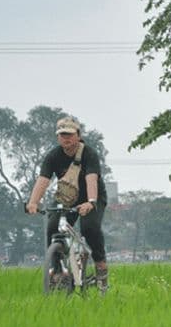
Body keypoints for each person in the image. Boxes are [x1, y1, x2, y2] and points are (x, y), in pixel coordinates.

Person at [26, 116, 109, 293]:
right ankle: (56, 270)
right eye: (62, 135)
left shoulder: (89, 154)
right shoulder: (53, 156)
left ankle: (101, 267)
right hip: (67, 197)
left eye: (70, 134)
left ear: (78, 135)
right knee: (53, 225)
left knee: (90, 228)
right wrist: (33, 202)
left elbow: (91, 179)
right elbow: (43, 180)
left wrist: (91, 202)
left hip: (91, 196)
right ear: (58, 138)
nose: (66, 138)